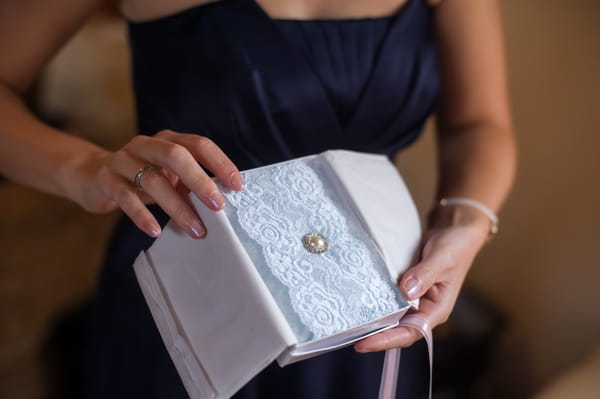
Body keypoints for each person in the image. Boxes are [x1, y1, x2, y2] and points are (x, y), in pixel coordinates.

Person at [0, 0, 516, 397]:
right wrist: (84, 169)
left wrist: (467, 221)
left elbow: (478, 124)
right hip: (194, 299)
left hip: (373, 314)